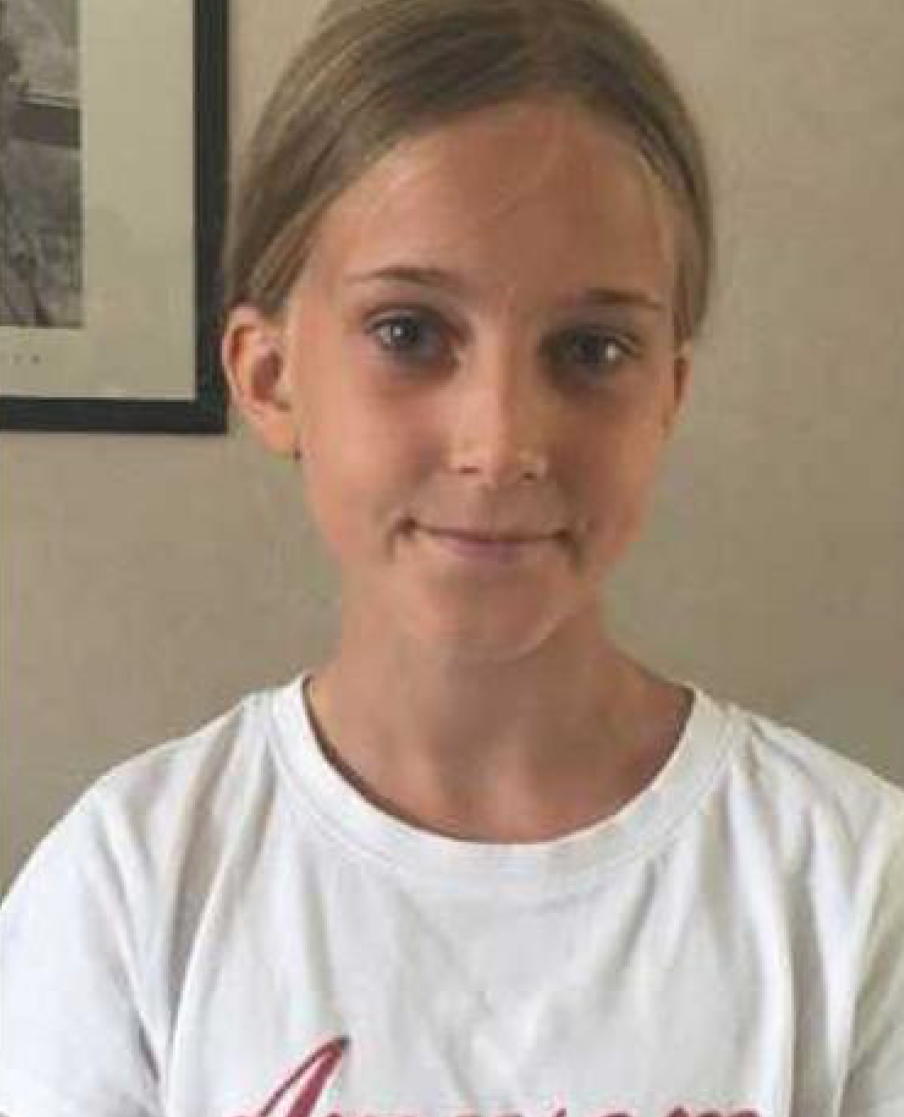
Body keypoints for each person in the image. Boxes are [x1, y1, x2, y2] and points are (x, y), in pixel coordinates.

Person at [1, 1, 901, 1115]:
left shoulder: (851, 889)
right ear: (271, 376)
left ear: (667, 391)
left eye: (590, 349)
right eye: (409, 332)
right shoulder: (131, 887)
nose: (501, 442)